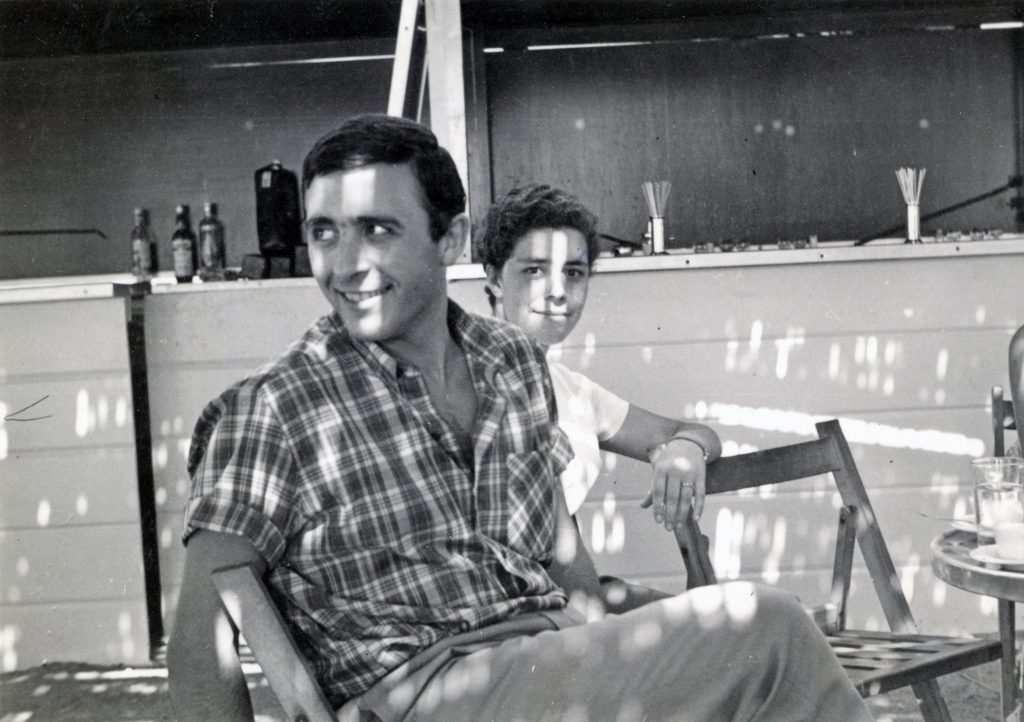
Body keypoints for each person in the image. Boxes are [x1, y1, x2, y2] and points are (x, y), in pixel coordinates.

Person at [166, 113, 873, 722]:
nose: (347, 265)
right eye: (325, 234)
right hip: (426, 689)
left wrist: (612, 644)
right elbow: (202, 643)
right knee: (767, 629)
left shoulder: (511, 361)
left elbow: (566, 561)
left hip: (545, 655)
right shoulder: (273, 409)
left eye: (377, 229)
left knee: (747, 652)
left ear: (449, 239)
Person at [478, 183, 720, 537]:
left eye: (573, 273)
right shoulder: (461, 376)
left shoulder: (572, 391)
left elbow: (697, 433)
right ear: (495, 278)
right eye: (535, 270)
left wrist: (687, 447)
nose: (558, 292)